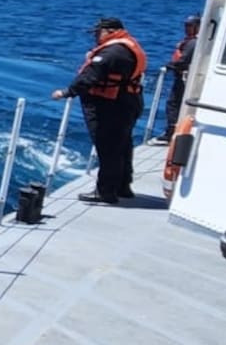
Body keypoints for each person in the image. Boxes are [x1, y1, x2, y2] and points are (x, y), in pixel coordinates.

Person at [51, 17, 146, 204]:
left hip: (111, 106)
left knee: (108, 148)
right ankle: (122, 186)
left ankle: (106, 192)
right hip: (129, 102)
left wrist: (66, 92)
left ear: (110, 31)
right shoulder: (128, 46)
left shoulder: (112, 52)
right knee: (122, 146)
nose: (95, 36)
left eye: (98, 32)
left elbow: (90, 76)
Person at [151, 14, 200, 144]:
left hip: (183, 78)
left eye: (190, 26)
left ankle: (171, 132)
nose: (186, 28)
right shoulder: (191, 41)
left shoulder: (193, 43)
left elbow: (183, 61)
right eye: (186, 25)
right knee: (176, 104)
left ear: (197, 27)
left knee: (173, 105)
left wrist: (170, 66)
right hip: (182, 77)